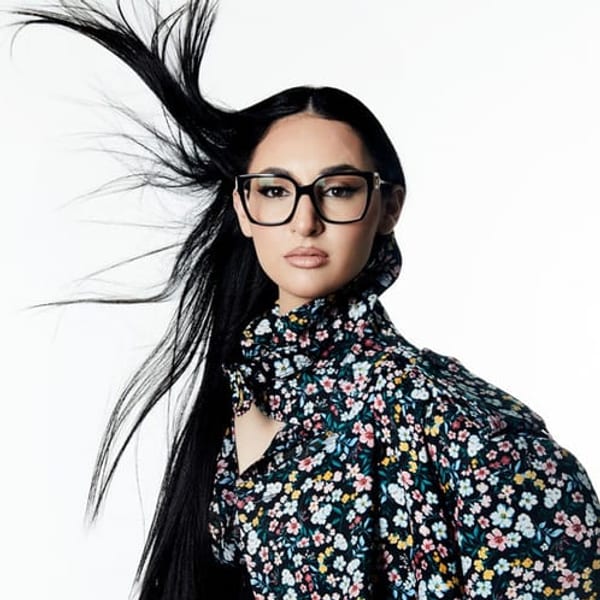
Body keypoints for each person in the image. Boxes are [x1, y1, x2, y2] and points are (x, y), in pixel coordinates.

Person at [9, 1, 600, 599]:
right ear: (244, 208)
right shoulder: (238, 390)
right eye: (274, 191)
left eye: (337, 190)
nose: (304, 221)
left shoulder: (443, 413)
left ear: (388, 208)